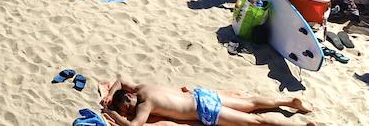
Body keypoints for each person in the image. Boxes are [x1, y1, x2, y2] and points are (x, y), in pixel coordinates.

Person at [101, 78, 313, 126]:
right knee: (250, 103)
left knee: (254, 122)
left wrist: (112, 114)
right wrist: (111, 94)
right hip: (202, 96)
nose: (127, 111)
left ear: (129, 99)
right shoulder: (141, 88)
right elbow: (120, 79)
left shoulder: (145, 104)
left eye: (125, 108)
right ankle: (288, 101)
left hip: (205, 109)